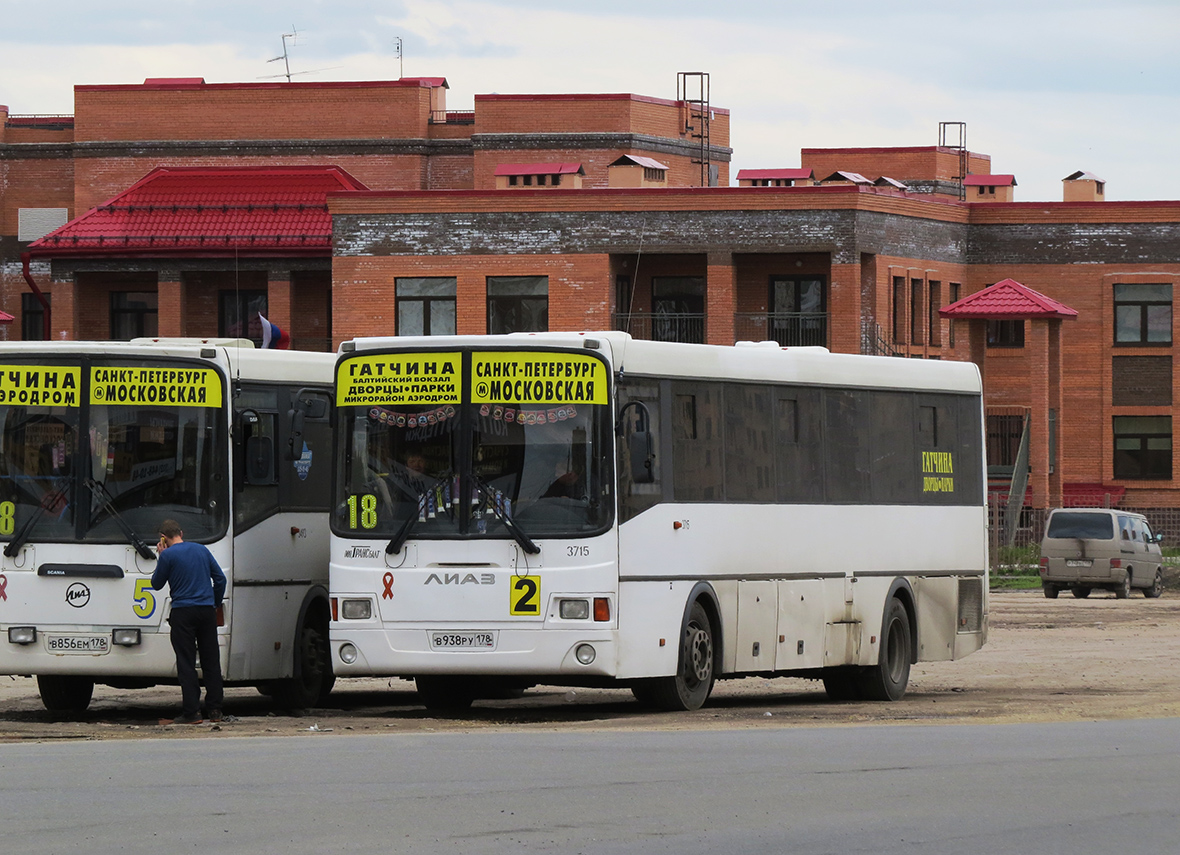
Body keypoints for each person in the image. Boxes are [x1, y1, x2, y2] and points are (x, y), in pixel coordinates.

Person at [151, 519, 227, 724]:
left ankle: (192, 713)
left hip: (183, 612)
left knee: (186, 662)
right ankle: (216, 711)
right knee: (211, 660)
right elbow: (220, 579)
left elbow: (156, 584)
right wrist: (215, 602)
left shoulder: (167, 555)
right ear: (181, 533)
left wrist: (161, 557)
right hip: (206, 611)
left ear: (163, 539)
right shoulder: (201, 550)